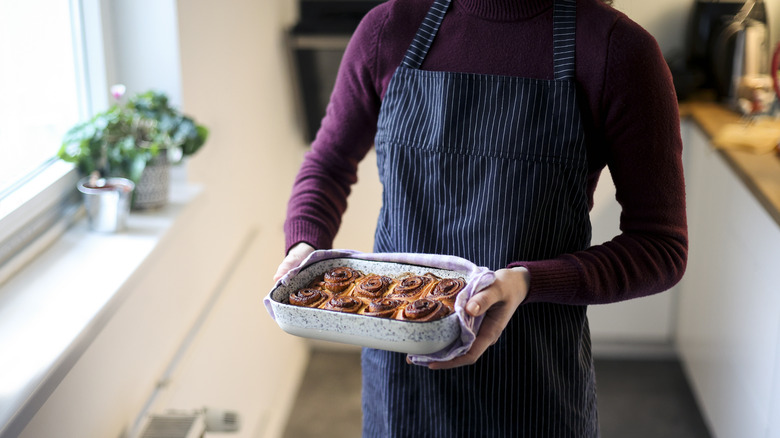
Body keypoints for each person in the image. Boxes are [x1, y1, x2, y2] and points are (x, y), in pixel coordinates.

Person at [274, 0, 687, 435]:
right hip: (402, 382)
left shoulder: (618, 50)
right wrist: (306, 246)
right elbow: (328, 164)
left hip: (531, 382)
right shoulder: (390, 28)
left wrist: (528, 281)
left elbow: (662, 246)